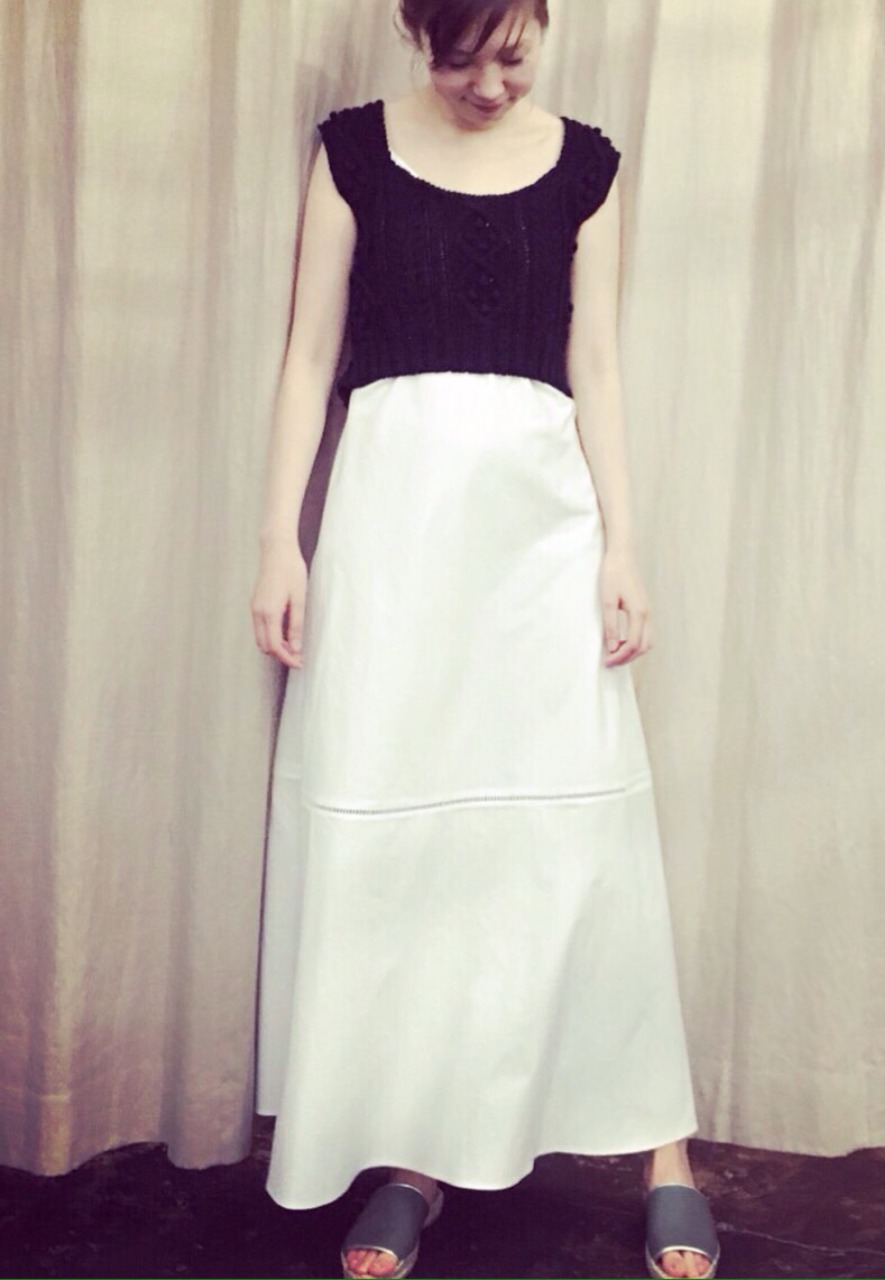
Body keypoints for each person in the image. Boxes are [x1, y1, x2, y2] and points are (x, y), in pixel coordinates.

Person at [249, 2, 720, 1277]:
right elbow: (309, 356)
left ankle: (663, 1154)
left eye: (514, 56)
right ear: (419, 32)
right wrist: (280, 538)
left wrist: (622, 546)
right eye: (464, 59)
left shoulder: (586, 168)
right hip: (393, 542)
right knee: (415, 841)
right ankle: (416, 1154)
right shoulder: (350, 152)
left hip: (538, 538)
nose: (492, 84)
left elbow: (597, 367)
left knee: (577, 828)